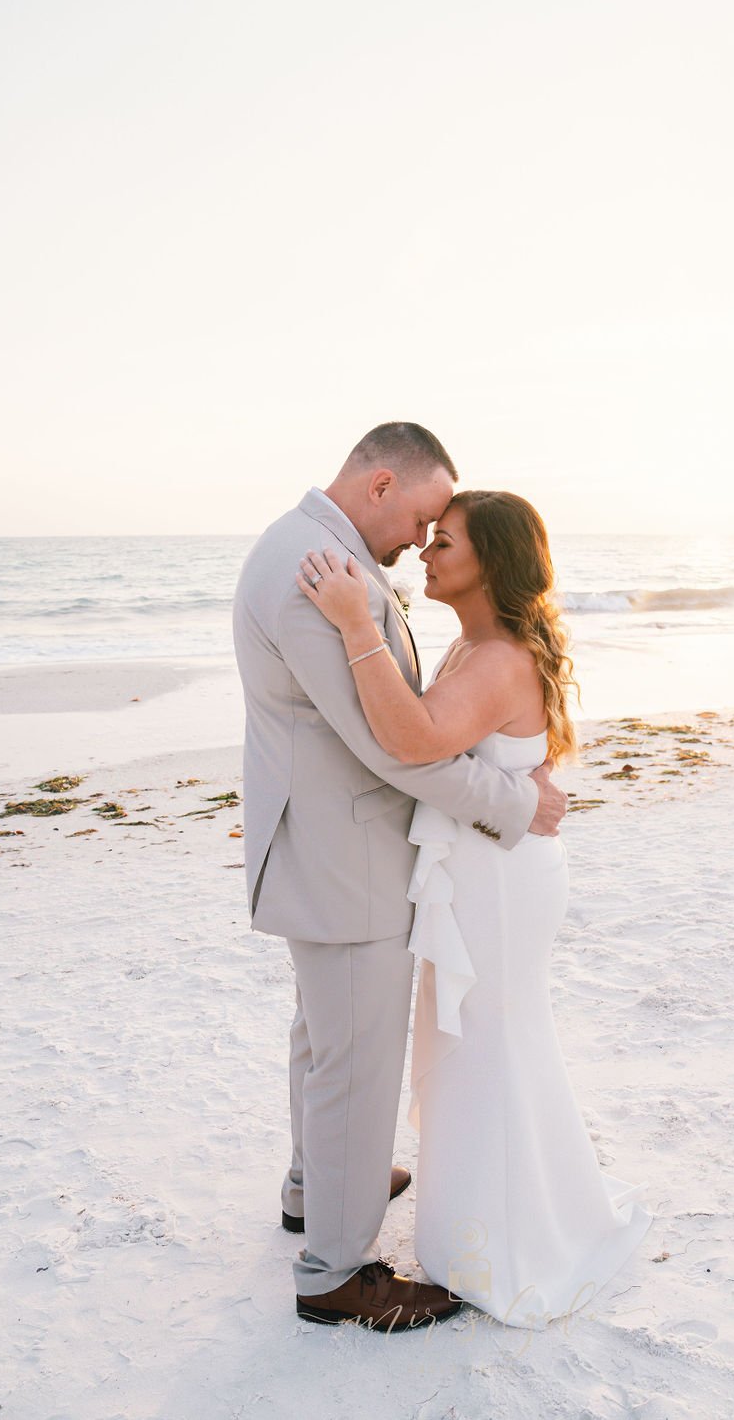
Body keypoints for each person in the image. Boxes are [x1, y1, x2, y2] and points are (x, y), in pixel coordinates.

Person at [231, 423, 567, 1332]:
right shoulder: (316, 572)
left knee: (324, 1037)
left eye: (439, 532)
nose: (421, 540)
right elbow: (393, 748)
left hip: (330, 849)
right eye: (421, 518)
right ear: (382, 484)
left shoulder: (312, 549)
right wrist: (509, 798)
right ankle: (336, 1271)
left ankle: (319, 1184)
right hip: (348, 858)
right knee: (355, 1058)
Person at [296, 488, 653, 1329]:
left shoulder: (495, 658)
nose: (425, 550)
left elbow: (415, 739)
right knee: (481, 1039)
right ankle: (490, 1221)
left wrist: (355, 625)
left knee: (489, 1039)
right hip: (488, 872)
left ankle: (509, 1238)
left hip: (500, 883)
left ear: (490, 559)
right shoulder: (478, 645)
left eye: (444, 540)